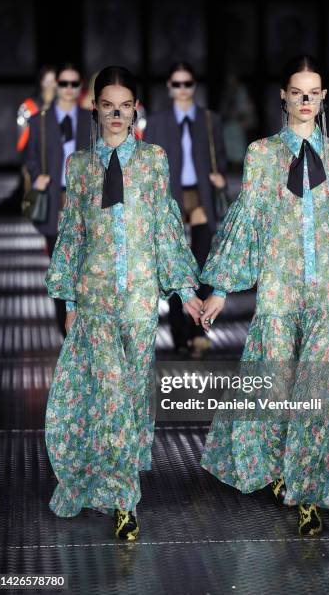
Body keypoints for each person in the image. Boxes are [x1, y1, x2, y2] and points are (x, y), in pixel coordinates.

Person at [199, 55, 329, 536]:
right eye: (297, 91)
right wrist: (220, 289)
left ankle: (308, 491)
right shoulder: (262, 153)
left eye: (313, 92)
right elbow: (247, 220)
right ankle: (277, 471)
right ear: (283, 96)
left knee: (320, 393)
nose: (304, 100)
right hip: (277, 287)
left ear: (322, 98)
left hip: (324, 291)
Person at [44, 66, 202, 540]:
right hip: (94, 298)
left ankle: (117, 480)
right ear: (95, 107)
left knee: (131, 398)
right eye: (108, 105)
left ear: (135, 109)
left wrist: (185, 291)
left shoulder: (154, 161)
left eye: (125, 105)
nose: (116, 114)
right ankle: (123, 499)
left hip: (138, 298)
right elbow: (71, 233)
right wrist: (68, 298)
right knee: (108, 394)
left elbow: (167, 227)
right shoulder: (80, 166)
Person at [144, 61, 228, 358]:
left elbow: (221, 155)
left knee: (203, 267)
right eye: (176, 84)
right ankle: (180, 336)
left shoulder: (209, 120)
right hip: (171, 201)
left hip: (202, 197)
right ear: (169, 87)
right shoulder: (156, 123)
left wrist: (220, 176)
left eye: (187, 83)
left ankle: (199, 331)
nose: (182, 89)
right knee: (178, 270)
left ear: (194, 85)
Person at [25, 63, 91, 336]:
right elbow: (29, 157)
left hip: (83, 200)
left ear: (79, 87)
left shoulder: (91, 119)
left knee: (86, 265)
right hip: (54, 200)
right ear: (56, 85)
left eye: (74, 84)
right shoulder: (39, 120)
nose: (68, 89)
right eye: (63, 83)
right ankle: (65, 332)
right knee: (60, 267)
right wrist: (37, 175)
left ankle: (84, 328)